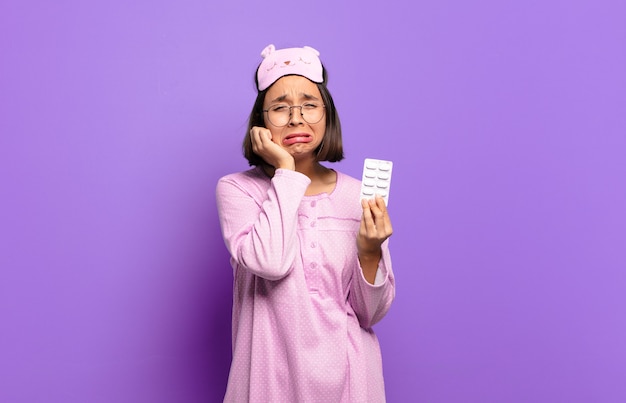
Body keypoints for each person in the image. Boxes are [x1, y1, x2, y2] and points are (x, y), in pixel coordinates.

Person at [216, 44, 396, 402]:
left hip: (350, 380)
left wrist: (370, 251)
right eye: (280, 108)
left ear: (327, 115)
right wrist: (285, 169)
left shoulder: (357, 195)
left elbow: (370, 314)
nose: (296, 118)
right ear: (260, 123)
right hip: (269, 381)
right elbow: (270, 262)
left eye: (310, 105)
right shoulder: (238, 190)